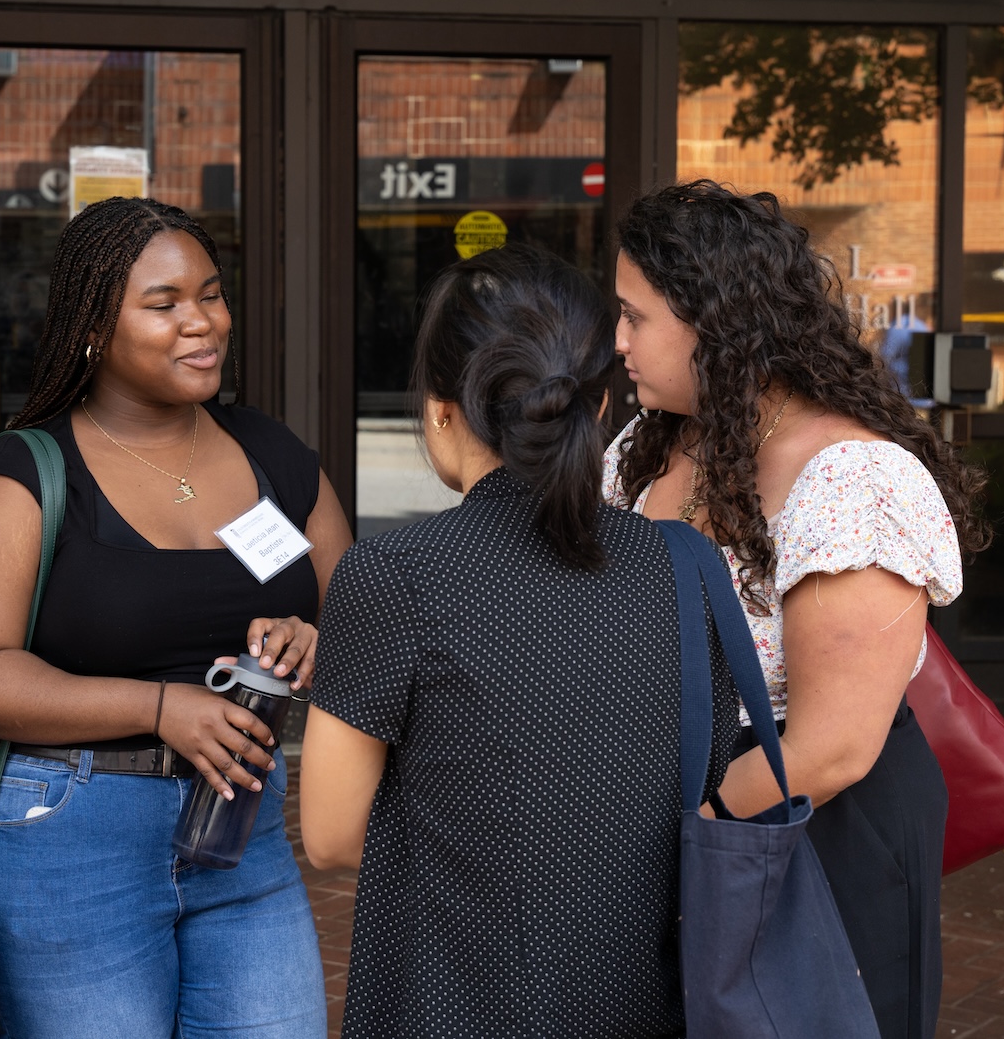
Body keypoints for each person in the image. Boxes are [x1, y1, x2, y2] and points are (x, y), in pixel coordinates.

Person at [0, 196, 350, 1039]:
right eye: (164, 304)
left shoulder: (272, 454)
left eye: (212, 294)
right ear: (92, 328)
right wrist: (158, 708)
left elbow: (362, 622)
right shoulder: (25, 476)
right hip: (68, 835)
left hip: (242, 825)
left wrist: (314, 641)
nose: (203, 322)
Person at [299, 242, 737, 1039]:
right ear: (599, 407)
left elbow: (330, 834)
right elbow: (704, 775)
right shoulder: (686, 563)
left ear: (440, 409)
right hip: (639, 1001)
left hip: (447, 999)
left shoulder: (394, 575)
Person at [606, 181, 988, 1039]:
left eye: (635, 317)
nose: (618, 340)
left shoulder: (852, 479)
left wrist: (688, 835)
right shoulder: (647, 444)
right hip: (683, 815)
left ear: (715, 321)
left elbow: (831, 746)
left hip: (814, 832)